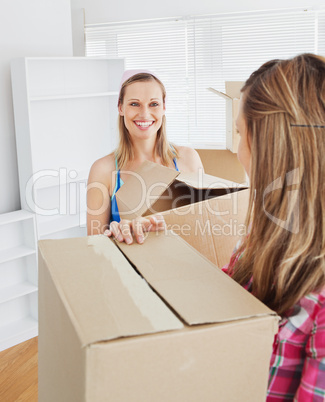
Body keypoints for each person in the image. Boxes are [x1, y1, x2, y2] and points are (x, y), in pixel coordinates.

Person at [224, 53, 325, 400]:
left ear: (272, 145)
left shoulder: (320, 308)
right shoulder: (260, 239)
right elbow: (221, 292)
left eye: (240, 133)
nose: (238, 150)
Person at [87, 69, 204, 243]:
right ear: (120, 107)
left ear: (164, 107)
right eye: (134, 104)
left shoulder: (187, 159)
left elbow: (205, 227)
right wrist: (116, 234)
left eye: (153, 104)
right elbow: (94, 247)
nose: (144, 114)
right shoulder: (104, 170)